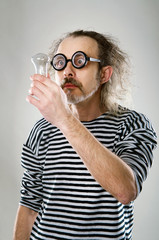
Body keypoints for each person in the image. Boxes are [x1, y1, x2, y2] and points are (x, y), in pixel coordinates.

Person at [13, 30, 157, 240]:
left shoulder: (132, 124)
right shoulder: (42, 130)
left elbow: (126, 191)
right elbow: (29, 206)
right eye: (60, 62)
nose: (67, 71)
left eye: (80, 60)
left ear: (104, 74)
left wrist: (64, 119)